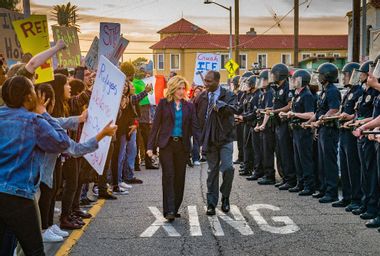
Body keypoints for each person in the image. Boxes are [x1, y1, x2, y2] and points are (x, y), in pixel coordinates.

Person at [0, 76, 71, 255]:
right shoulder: (34, 121)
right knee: (35, 250)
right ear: (28, 97)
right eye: (33, 90)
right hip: (19, 195)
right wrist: (44, 113)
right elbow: (62, 142)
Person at [147, 75, 200, 221]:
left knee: (179, 178)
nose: (182, 91)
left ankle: (175, 207)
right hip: (167, 144)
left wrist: (200, 146)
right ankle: (169, 209)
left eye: (184, 88)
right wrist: (150, 146)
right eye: (179, 88)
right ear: (172, 88)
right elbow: (155, 126)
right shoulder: (163, 103)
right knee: (168, 176)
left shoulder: (189, 106)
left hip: (182, 146)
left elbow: (195, 127)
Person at [194, 70, 236, 216]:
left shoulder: (228, 94)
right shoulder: (201, 96)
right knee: (212, 172)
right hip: (209, 139)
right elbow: (195, 117)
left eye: (209, 81)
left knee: (228, 168)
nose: (206, 83)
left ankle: (225, 197)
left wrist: (223, 106)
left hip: (225, 138)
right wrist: (199, 137)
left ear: (217, 81)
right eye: (205, 80)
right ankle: (211, 203)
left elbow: (235, 109)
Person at [346, 60, 379, 219]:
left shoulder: (375, 92)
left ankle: (372, 207)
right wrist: (361, 124)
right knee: (365, 173)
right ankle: (366, 204)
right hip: (366, 135)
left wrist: (365, 124)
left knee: (372, 174)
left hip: (372, 136)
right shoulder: (366, 92)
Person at [305, 63, 341, 203]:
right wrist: (310, 122)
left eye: (320, 74)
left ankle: (331, 192)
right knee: (321, 162)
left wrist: (320, 121)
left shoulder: (332, 91)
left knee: (329, 162)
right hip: (322, 129)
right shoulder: (324, 91)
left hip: (329, 130)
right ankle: (324, 188)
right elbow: (319, 111)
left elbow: (334, 109)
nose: (318, 77)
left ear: (327, 75)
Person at [333, 62, 363, 211]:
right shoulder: (348, 92)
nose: (343, 78)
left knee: (353, 168)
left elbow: (357, 114)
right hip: (343, 132)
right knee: (344, 168)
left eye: (345, 75)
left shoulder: (359, 91)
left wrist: (348, 117)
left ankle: (356, 199)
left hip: (351, 134)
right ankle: (346, 197)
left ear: (353, 75)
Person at [286, 69, 315, 195]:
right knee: (297, 159)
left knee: (305, 159)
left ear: (301, 80)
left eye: (295, 79)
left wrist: (294, 114)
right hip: (296, 130)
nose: (292, 81)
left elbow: (310, 114)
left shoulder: (307, 95)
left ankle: (309, 186)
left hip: (304, 131)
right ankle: (300, 183)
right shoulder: (297, 95)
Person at [267, 63, 296, 190]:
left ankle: (290, 179)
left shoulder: (288, 87)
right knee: (279, 153)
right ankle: (284, 177)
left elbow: (289, 105)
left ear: (280, 74)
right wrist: (271, 109)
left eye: (274, 74)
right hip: (277, 124)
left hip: (285, 124)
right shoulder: (277, 88)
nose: (272, 77)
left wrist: (275, 111)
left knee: (286, 152)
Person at [255, 70, 276, 185]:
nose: (261, 82)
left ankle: (269, 175)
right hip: (263, 124)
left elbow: (268, 111)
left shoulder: (270, 92)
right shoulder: (263, 93)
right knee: (263, 150)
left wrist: (263, 124)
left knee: (268, 151)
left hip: (268, 126)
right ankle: (265, 173)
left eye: (262, 79)